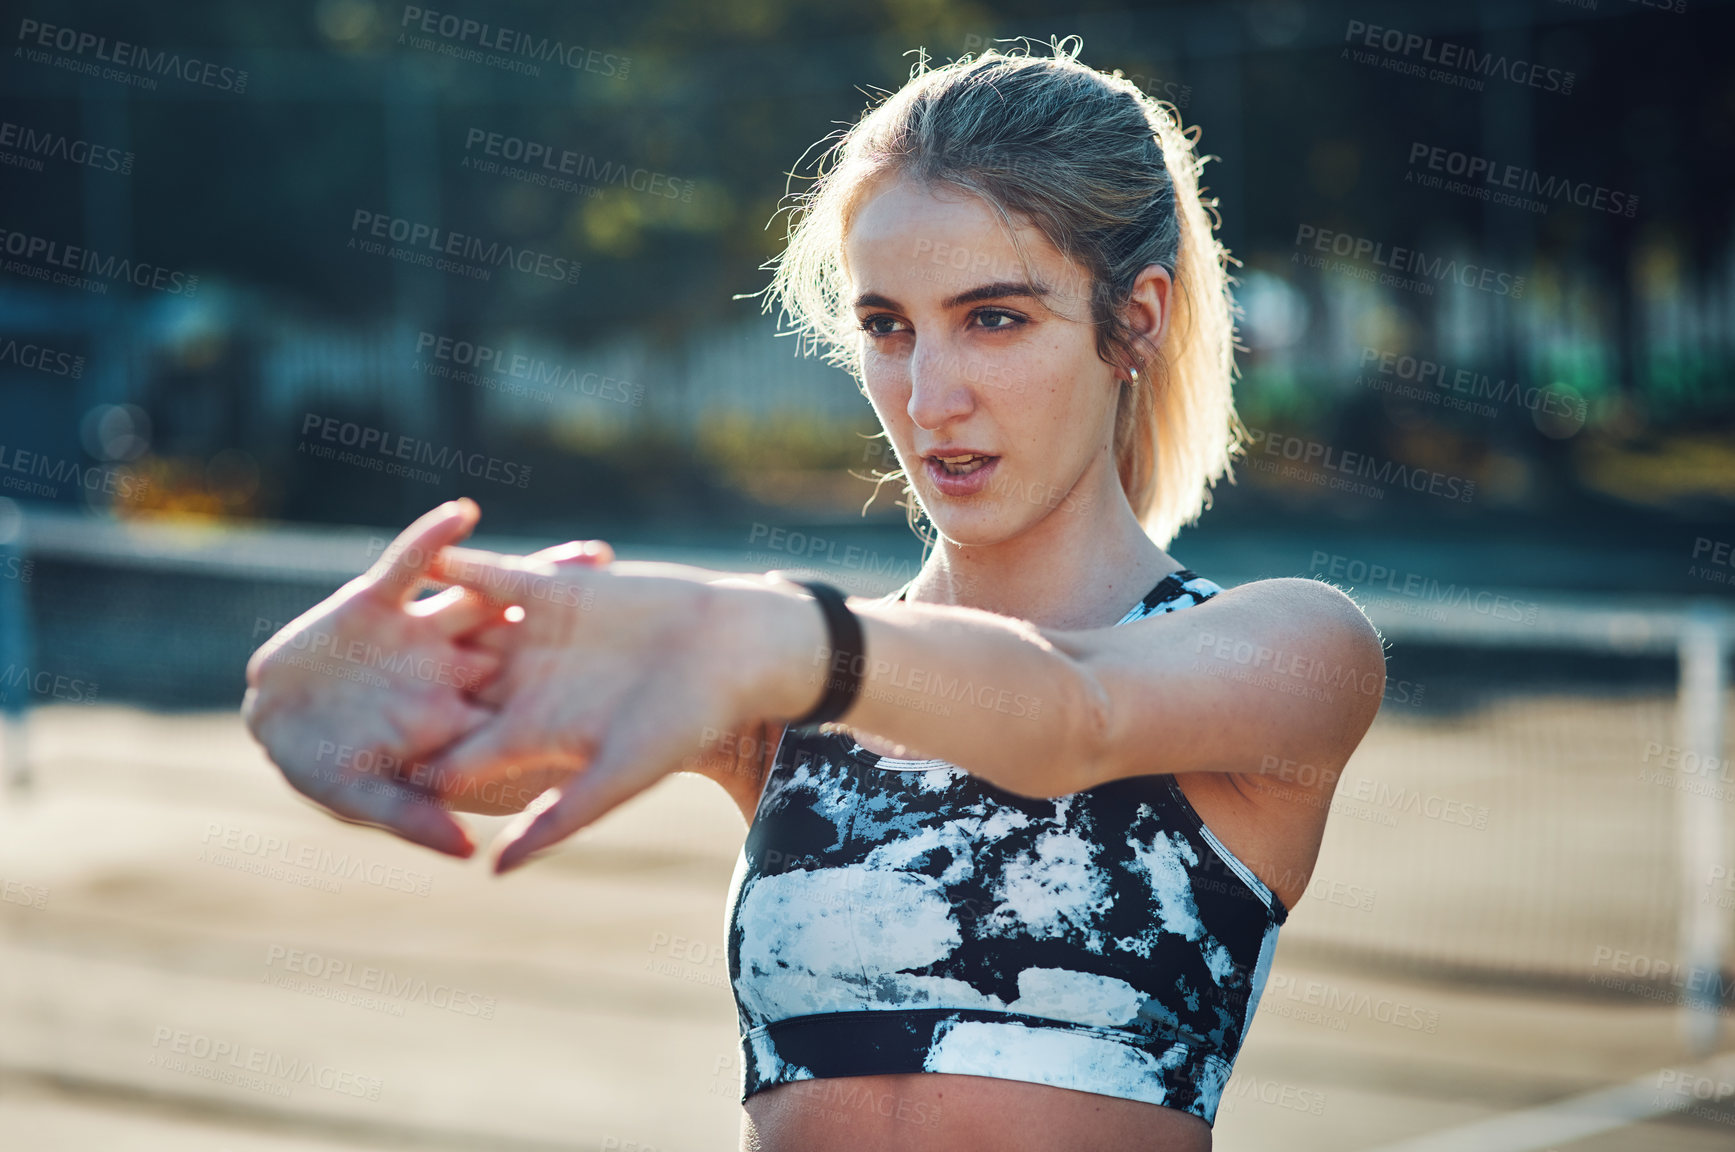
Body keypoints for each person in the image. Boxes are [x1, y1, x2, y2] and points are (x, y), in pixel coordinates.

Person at [243, 38, 1385, 1152]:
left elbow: (1071, 713)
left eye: (995, 318)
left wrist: (765, 638)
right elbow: (437, 747)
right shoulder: (780, 683)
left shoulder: (1296, 651)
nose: (931, 397)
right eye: (887, 327)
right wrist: (308, 686)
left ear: (1132, 317)